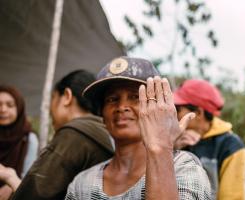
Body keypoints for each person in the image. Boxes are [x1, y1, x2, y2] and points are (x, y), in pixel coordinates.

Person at [65, 57, 212, 200]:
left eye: (136, 97)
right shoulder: (81, 185)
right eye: (112, 99)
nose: (121, 107)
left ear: (159, 107)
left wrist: (159, 148)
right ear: (102, 113)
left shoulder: (183, 169)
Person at [0, 70, 114, 200]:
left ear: (67, 96)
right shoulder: (105, 133)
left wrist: (9, 177)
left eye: (53, 98)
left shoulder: (73, 135)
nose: (50, 110)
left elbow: (33, 196)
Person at [173, 79, 245, 200]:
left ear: (198, 112)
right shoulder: (173, 138)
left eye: (178, 109)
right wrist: (171, 147)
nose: (173, 114)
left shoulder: (231, 147)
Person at [0, 85, 39, 200]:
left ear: (19, 107)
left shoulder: (28, 139)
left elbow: (27, 176)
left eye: (10, 105)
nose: (3, 109)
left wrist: (9, 185)